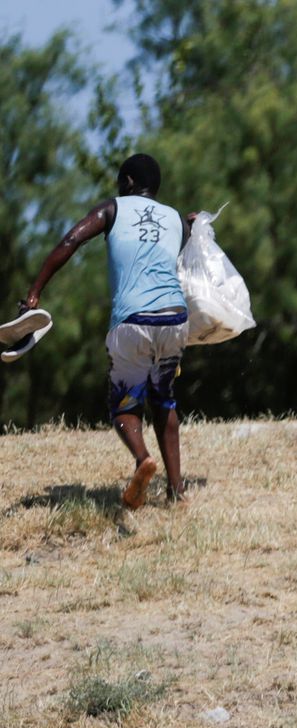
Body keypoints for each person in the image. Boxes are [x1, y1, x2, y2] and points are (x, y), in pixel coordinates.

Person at [18, 153, 196, 507]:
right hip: (176, 318)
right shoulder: (176, 219)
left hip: (134, 320)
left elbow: (71, 241)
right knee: (164, 397)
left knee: (124, 402)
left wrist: (35, 292)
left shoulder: (113, 208)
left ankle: (143, 458)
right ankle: (177, 492)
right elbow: (188, 245)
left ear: (128, 181)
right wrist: (192, 225)